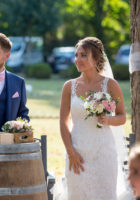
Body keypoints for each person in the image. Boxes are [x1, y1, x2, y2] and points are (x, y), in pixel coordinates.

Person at [57, 37, 127, 199]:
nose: (77, 59)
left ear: (95, 59)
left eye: (83, 55)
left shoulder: (110, 85)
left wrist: (108, 120)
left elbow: (122, 117)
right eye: (76, 55)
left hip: (103, 153)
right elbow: (63, 121)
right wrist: (71, 152)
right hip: (77, 153)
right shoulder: (69, 86)